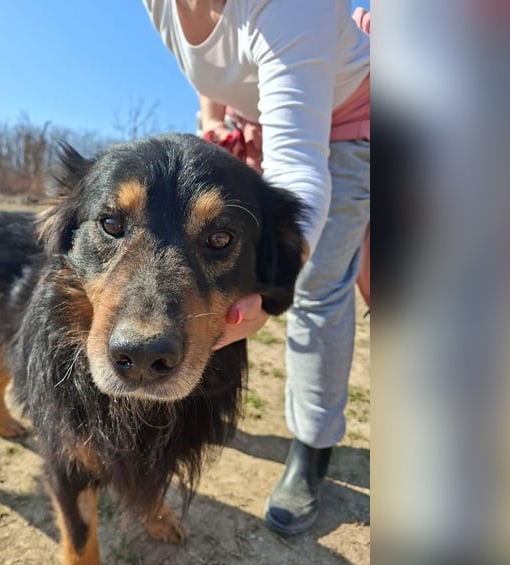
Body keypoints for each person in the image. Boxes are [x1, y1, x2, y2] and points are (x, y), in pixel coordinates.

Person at [142, 0, 370, 535]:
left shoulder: (291, 8)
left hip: (346, 127)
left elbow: (299, 174)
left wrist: (273, 291)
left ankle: (312, 452)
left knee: (312, 288)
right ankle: (210, 399)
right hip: (259, 123)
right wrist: (215, 124)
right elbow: (211, 68)